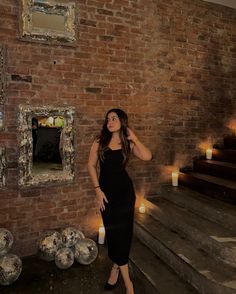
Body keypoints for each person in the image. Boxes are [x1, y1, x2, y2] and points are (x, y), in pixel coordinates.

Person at [87, 109, 152, 294]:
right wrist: (97, 190)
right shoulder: (99, 141)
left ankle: (127, 283)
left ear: (122, 121)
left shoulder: (127, 142)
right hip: (106, 196)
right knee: (114, 234)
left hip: (125, 195)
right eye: (108, 119)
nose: (110, 121)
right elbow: (90, 165)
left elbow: (147, 156)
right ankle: (116, 267)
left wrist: (135, 139)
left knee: (123, 235)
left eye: (114, 118)